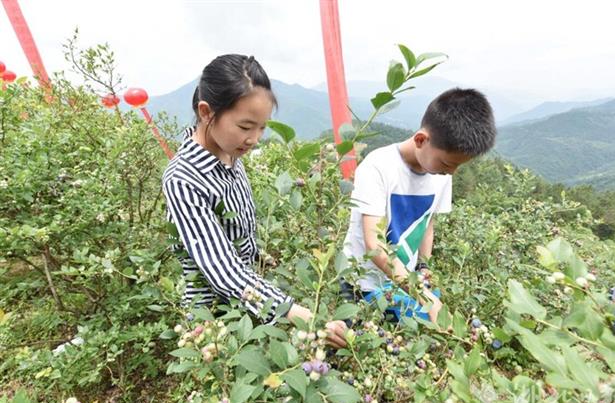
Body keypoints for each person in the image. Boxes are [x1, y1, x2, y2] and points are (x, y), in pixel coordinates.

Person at [162, 54, 347, 348]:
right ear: (207, 112)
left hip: (253, 294)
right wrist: (291, 311)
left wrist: (260, 257)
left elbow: (238, 229)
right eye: (246, 127)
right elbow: (220, 267)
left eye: (262, 127)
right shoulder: (183, 179)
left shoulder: (231, 151)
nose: (254, 139)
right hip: (216, 318)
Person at [341, 88, 496, 323]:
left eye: (457, 167)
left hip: (406, 281)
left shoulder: (442, 174)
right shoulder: (378, 167)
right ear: (421, 140)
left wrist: (423, 266)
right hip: (362, 283)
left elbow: (427, 223)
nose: (451, 172)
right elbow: (375, 245)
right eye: (446, 163)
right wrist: (423, 296)